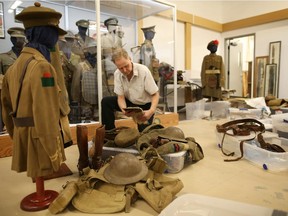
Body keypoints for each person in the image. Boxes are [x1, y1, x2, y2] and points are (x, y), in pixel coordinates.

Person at [1, 2, 70, 178]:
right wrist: (53, 153)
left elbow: (6, 108)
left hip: (24, 135)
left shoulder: (14, 67)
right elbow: (45, 115)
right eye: (54, 32)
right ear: (45, 33)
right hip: (40, 141)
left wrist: (16, 135)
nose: (56, 38)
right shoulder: (41, 67)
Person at [101, 48, 159, 132]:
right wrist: (124, 110)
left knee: (143, 134)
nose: (124, 70)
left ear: (130, 59)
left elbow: (155, 94)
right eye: (120, 68)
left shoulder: (143, 70)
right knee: (106, 101)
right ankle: (109, 133)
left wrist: (151, 111)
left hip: (145, 106)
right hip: (130, 103)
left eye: (126, 66)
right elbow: (120, 97)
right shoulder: (117, 74)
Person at [0, 27, 26, 132]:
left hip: (26, 92)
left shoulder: (31, 57)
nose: (18, 41)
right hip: (10, 93)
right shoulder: (3, 58)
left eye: (21, 38)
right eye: (15, 38)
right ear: (11, 40)